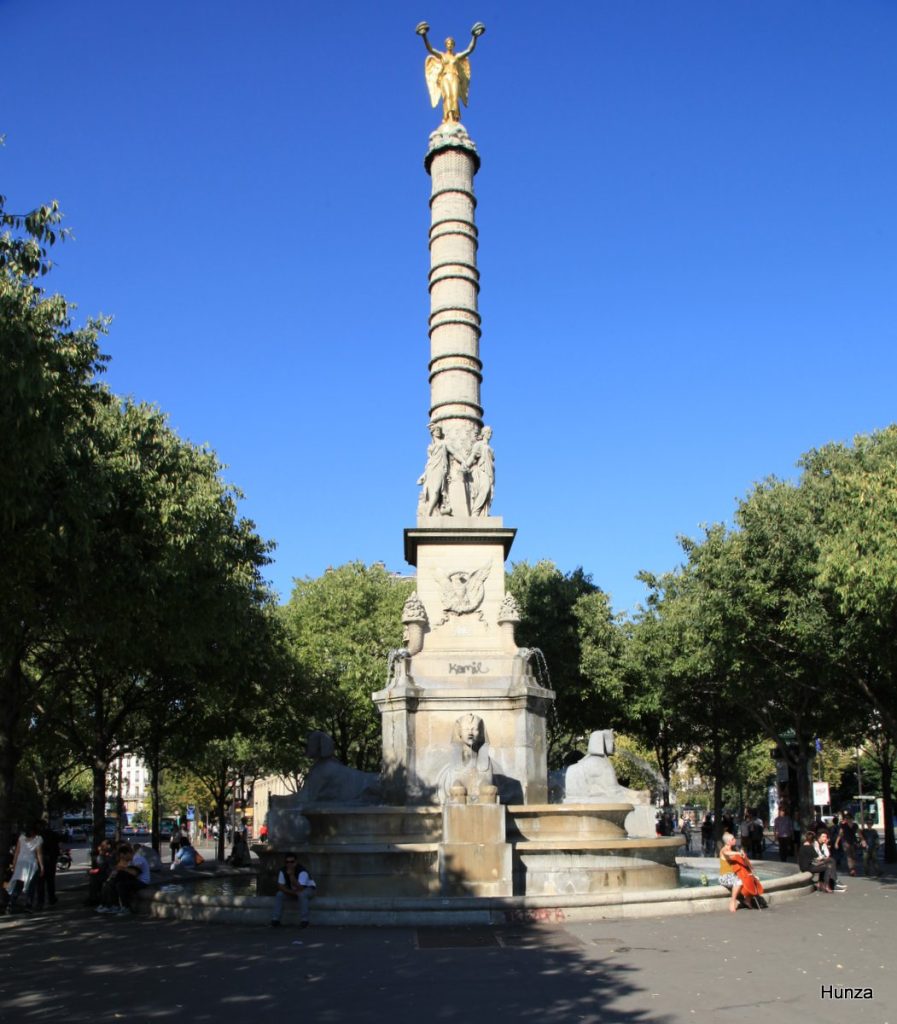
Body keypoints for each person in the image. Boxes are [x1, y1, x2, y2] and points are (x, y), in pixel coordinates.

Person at [416, 22, 485, 124]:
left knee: (454, 97)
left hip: (454, 77)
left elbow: (469, 49)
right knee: (447, 96)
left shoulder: (457, 57)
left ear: (453, 45)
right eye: (448, 43)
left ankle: (455, 118)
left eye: (451, 43)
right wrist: (424, 35)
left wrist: (475, 37)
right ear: (445, 45)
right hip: (444, 77)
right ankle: (448, 117)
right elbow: (430, 49)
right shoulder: (442, 56)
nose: (450, 45)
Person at [718, 832, 764, 912]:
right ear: (728, 842)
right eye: (733, 839)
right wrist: (738, 853)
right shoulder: (724, 850)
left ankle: (747, 900)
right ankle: (733, 901)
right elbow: (726, 853)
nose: (735, 840)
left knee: (749, 880)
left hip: (733, 875)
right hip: (724, 877)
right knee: (739, 881)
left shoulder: (733, 849)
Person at [5, 823, 44, 913]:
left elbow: (17, 852)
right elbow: (39, 854)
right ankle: (28, 905)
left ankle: (10, 904)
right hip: (31, 864)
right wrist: (42, 866)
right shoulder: (38, 839)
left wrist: (14, 864)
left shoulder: (21, 838)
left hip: (20, 864)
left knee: (18, 885)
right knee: (31, 886)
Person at [270, 854, 315, 928]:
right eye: (287, 862)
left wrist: (291, 875)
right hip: (293, 891)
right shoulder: (283, 871)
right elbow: (281, 886)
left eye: (292, 862)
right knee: (279, 894)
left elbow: (300, 888)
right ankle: (275, 919)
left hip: (308, 889)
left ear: (296, 862)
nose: (289, 864)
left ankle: (305, 920)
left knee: (302, 894)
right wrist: (292, 893)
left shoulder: (302, 871)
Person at [466, 426, 495, 516]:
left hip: (490, 471)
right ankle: (476, 512)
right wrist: (466, 465)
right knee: (484, 489)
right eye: (487, 432)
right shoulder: (479, 445)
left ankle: (483, 513)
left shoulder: (490, 448)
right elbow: (473, 456)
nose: (489, 434)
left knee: (489, 492)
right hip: (482, 469)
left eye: (490, 432)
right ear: (483, 433)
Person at [33, 820, 60, 910]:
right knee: (50, 881)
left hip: (40, 860)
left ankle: (40, 902)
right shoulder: (51, 834)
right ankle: (51, 898)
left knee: (40, 882)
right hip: (51, 860)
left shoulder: (37, 836)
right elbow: (62, 838)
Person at [835, 811, 860, 876]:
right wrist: (836, 842)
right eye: (846, 818)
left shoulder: (855, 825)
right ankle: (852, 870)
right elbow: (840, 834)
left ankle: (853, 868)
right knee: (849, 856)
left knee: (853, 856)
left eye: (849, 818)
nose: (848, 819)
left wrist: (862, 840)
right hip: (846, 842)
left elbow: (859, 833)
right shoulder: (843, 825)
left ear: (852, 818)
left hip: (853, 842)